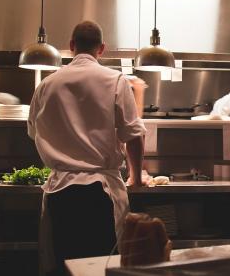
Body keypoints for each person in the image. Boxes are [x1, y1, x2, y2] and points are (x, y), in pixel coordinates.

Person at [27, 21, 147, 275]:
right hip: (99, 194)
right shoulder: (115, 80)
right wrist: (135, 177)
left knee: (66, 266)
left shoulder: (46, 84)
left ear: (71, 46)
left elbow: (33, 133)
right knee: (101, 268)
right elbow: (134, 135)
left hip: (60, 193)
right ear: (101, 48)